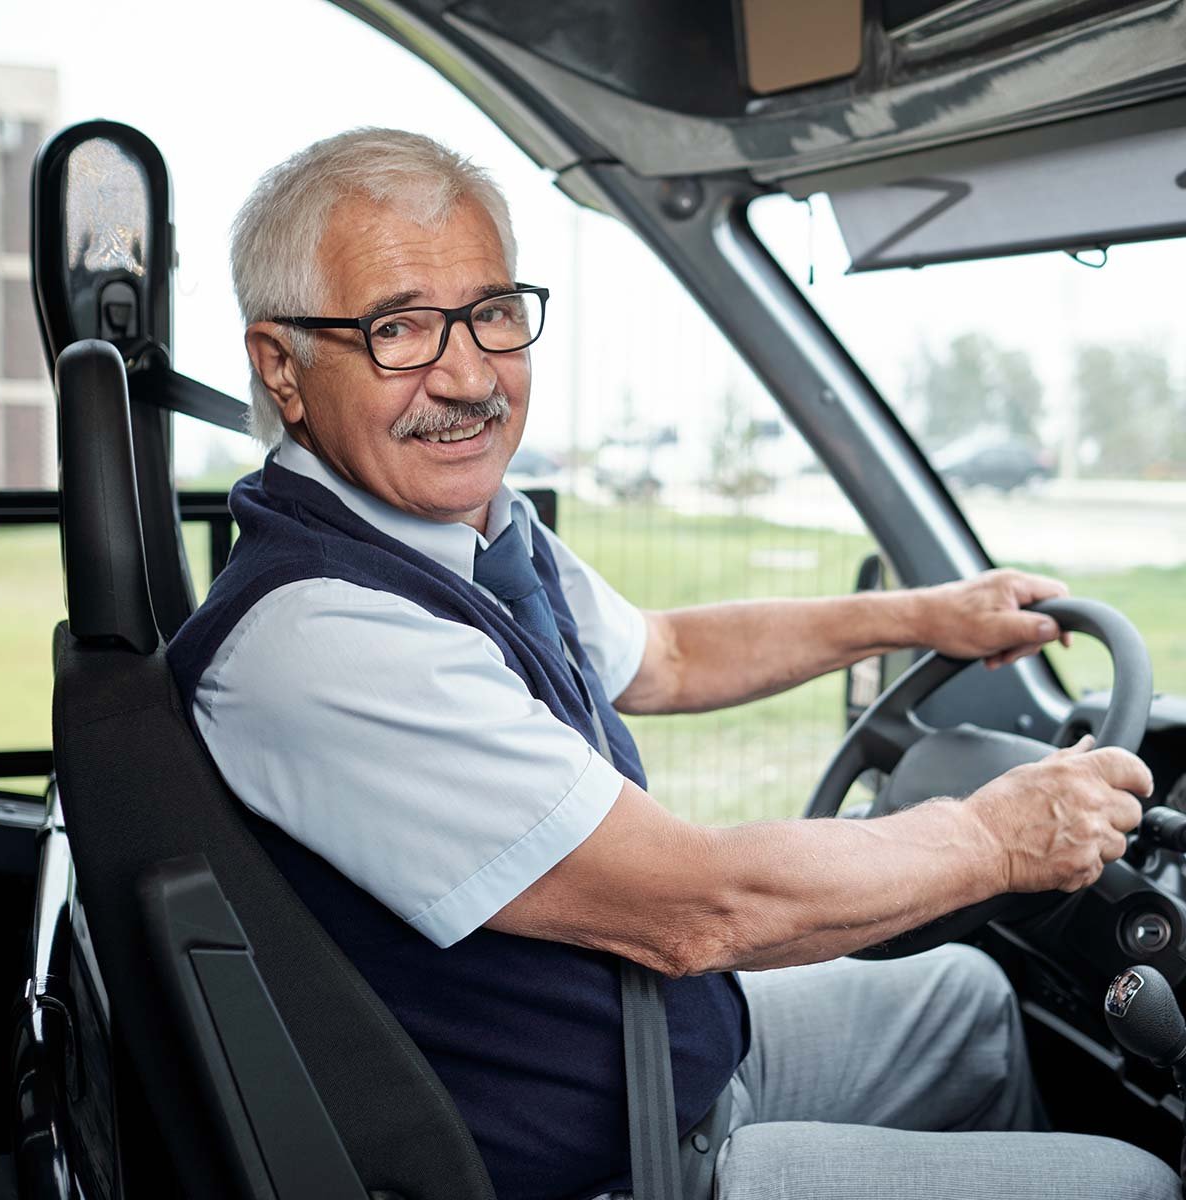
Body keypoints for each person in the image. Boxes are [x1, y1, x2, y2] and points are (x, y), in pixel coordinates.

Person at [166, 128, 1177, 1200]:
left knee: (968, 1005)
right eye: (398, 329)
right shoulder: (326, 637)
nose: (466, 375)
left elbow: (671, 655)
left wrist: (920, 614)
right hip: (607, 1160)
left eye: (493, 313)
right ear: (283, 365)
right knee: (1133, 1185)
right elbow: (702, 908)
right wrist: (990, 835)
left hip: (657, 1052)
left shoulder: (461, 531)